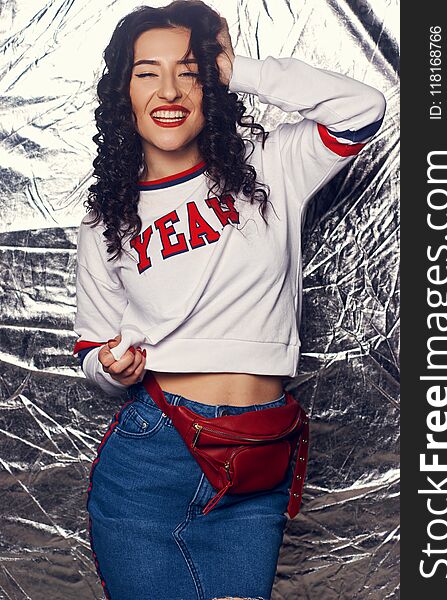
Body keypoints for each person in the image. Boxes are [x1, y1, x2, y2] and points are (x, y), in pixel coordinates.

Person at [71, 1, 386, 598]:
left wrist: (231, 67)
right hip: (154, 459)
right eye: (146, 72)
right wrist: (111, 368)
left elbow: (364, 108)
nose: (169, 89)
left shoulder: (270, 164)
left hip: (257, 464)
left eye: (188, 70)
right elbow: (90, 346)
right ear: (123, 92)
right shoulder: (105, 218)